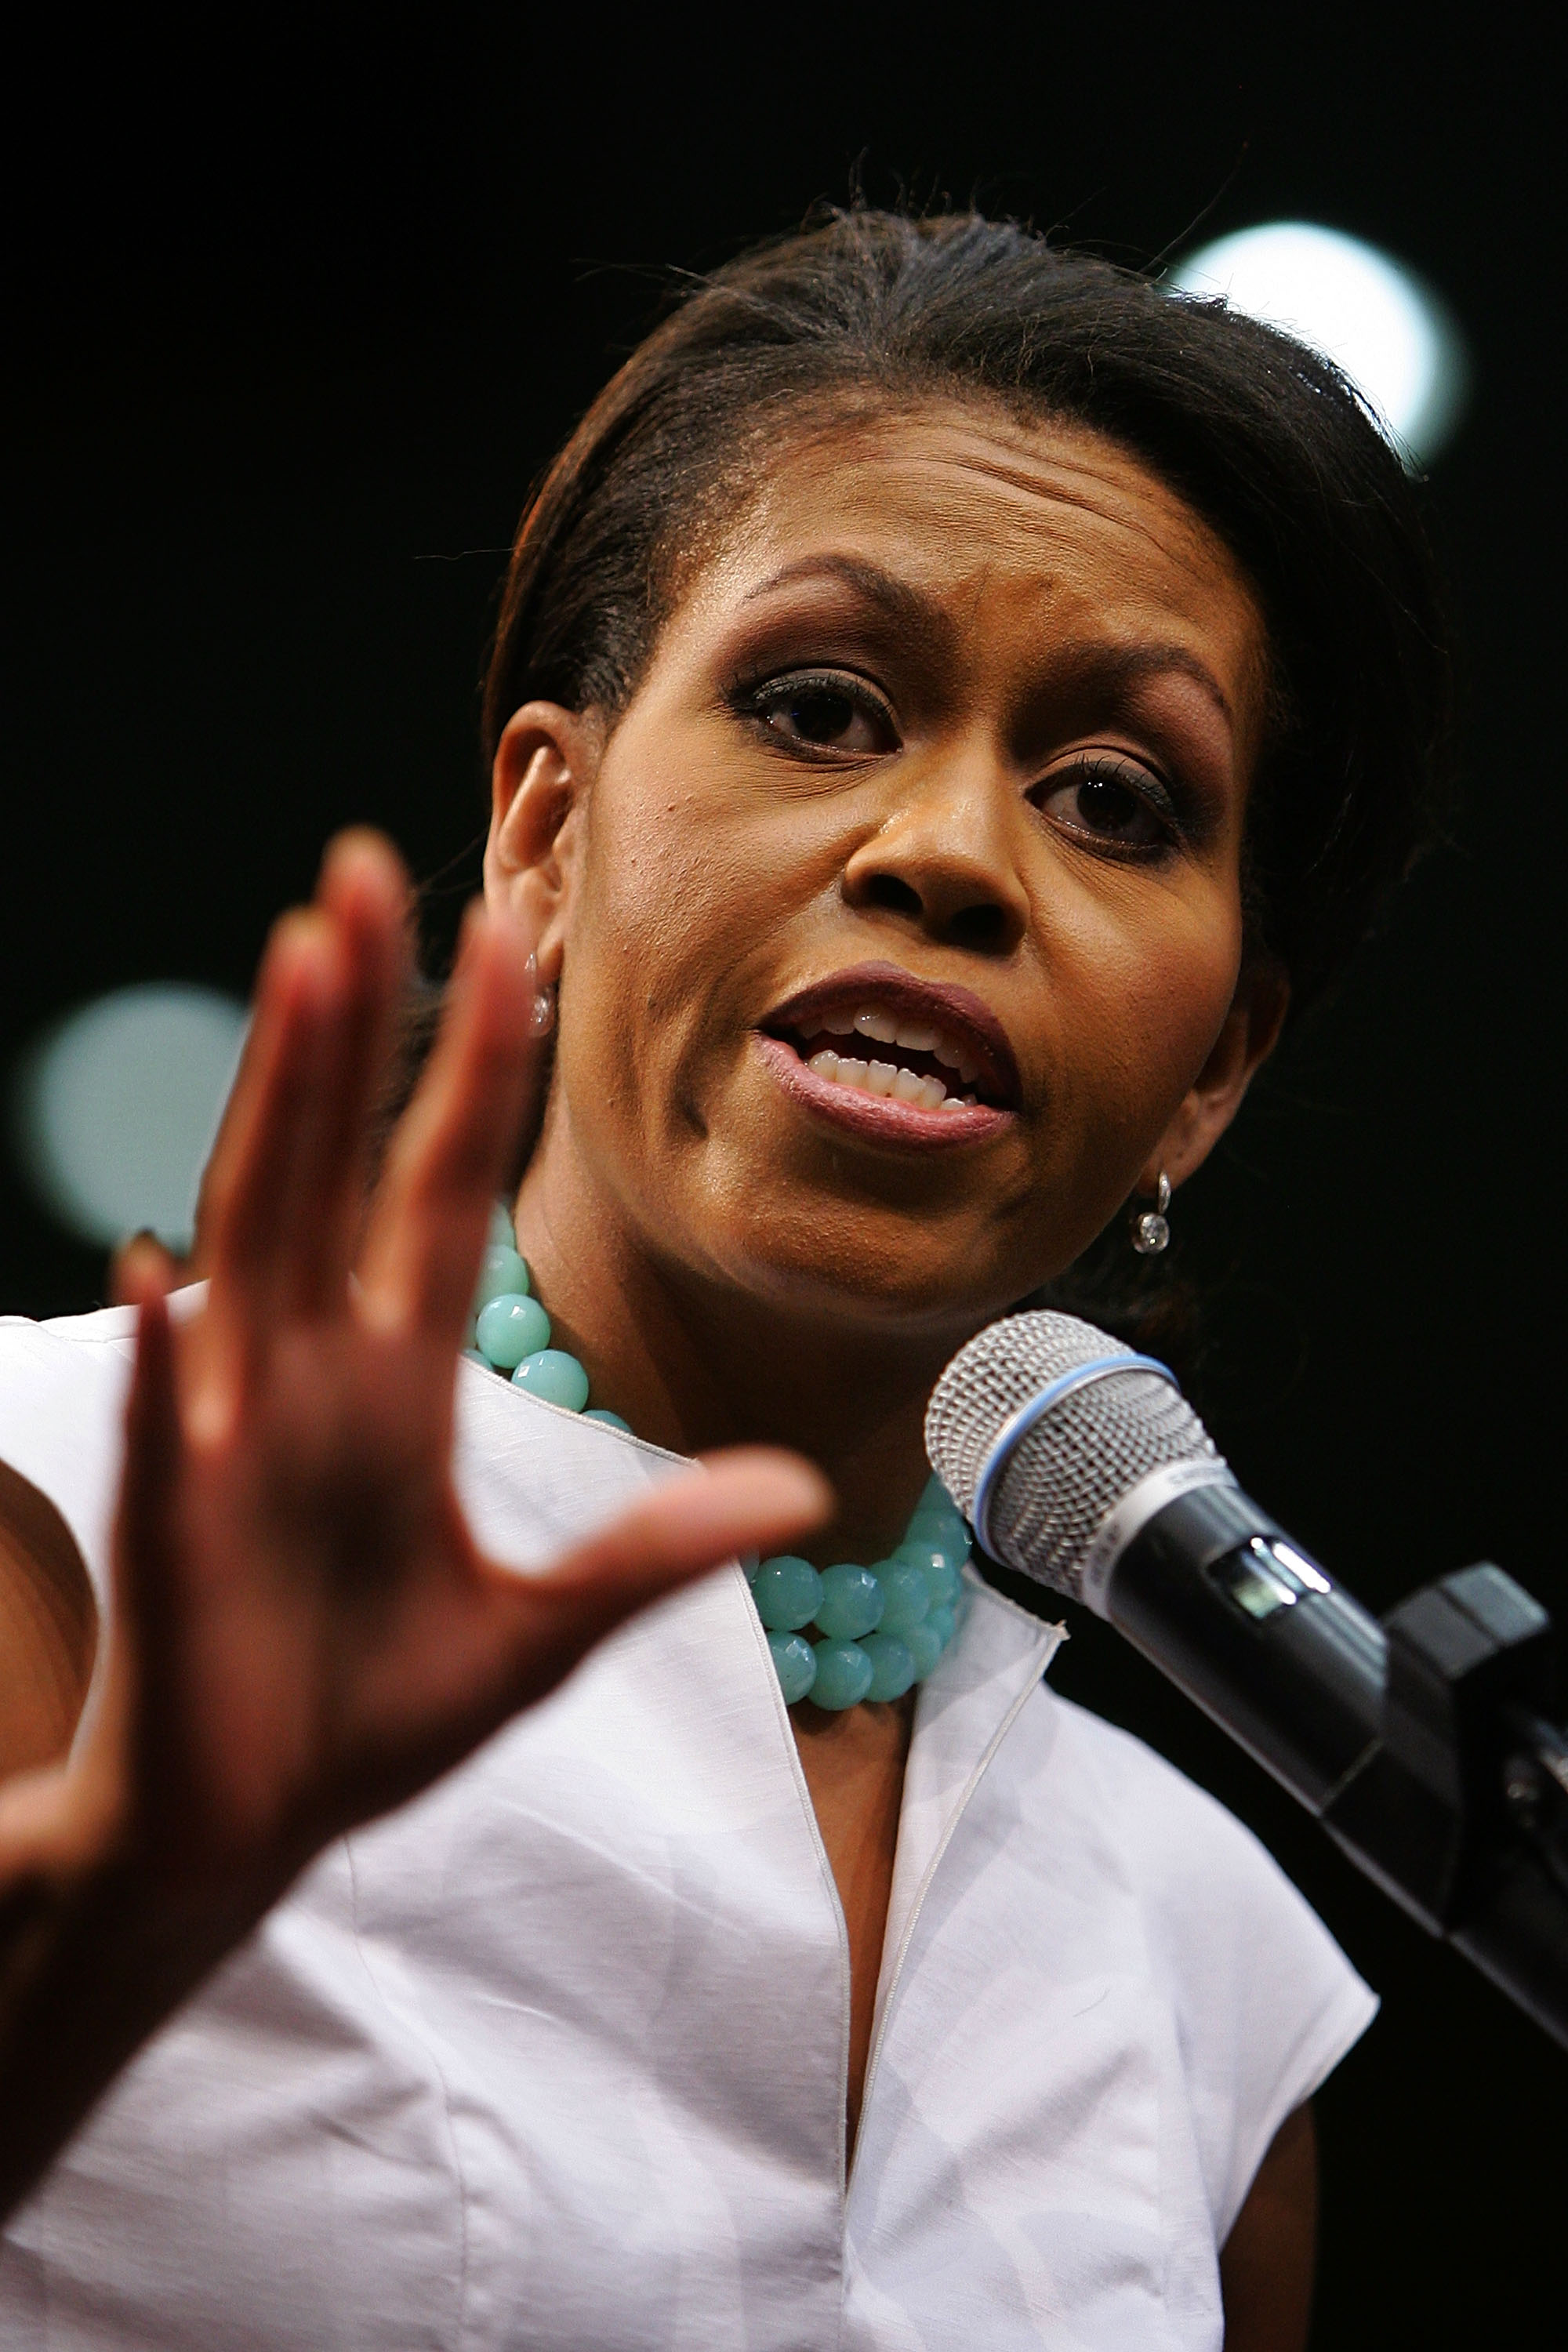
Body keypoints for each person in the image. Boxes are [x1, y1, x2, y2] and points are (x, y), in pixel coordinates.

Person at [0, 207, 1450, 2350]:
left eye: (1117, 799)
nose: (952, 851)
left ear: (1213, 1071)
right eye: (820, 704)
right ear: (542, 839)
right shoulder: (66, 1517)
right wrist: (100, 1945)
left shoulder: (1200, 1967)